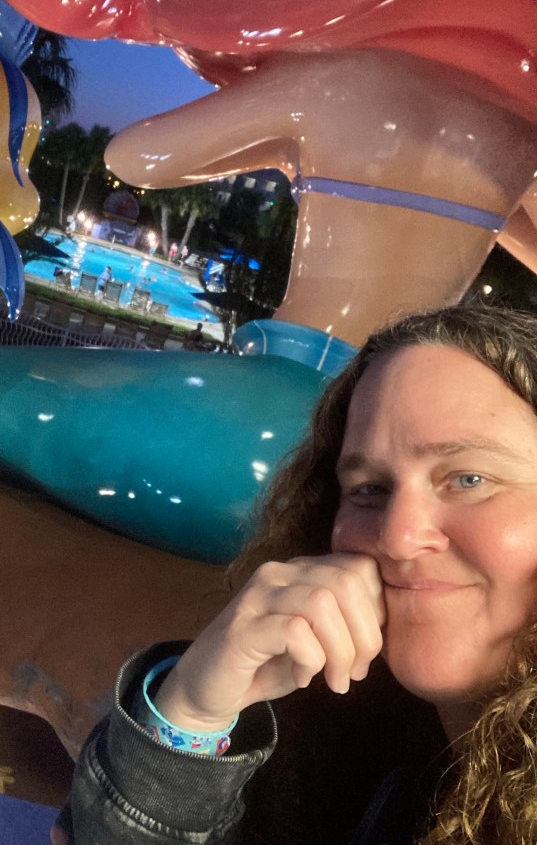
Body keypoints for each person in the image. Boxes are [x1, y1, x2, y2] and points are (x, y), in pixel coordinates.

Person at [54, 303, 537, 845]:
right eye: (369, 490)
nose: (397, 538)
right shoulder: (356, 757)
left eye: (469, 479)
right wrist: (189, 716)